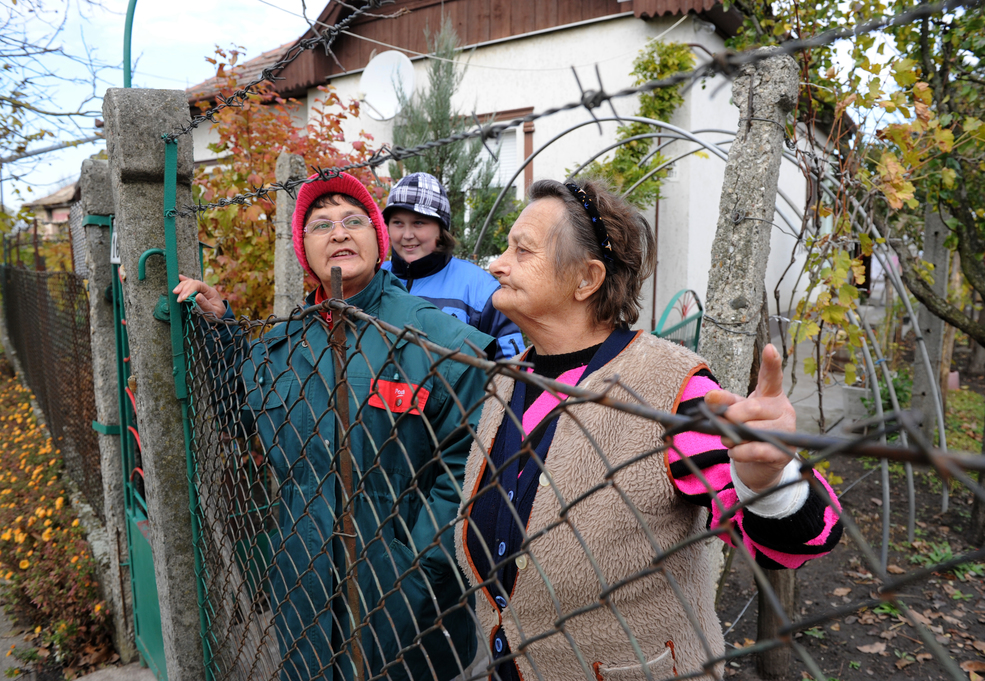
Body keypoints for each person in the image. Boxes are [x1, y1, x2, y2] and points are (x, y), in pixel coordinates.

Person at [454, 179, 844, 681]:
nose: (497, 263)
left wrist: (767, 482)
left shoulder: (671, 389)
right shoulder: (509, 381)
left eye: (521, 250)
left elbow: (795, 545)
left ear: (586, 279)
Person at [174, 172, 490, 681]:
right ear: (305, 250)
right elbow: (242, 407)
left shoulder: (436, 338)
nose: (338, 233)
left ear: (377, 239)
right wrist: (220, 331)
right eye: (320, 225)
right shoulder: (285, 344)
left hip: (405, 603)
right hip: (305, 590)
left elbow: (470, 461)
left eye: (352, 221)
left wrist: (417, 568)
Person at [382, 172, 525, 359]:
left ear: (441, 230)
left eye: (418, 223)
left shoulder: (481, 288)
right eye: (398, 223)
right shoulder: (376, 278)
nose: (407, 234)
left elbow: (511, 368)